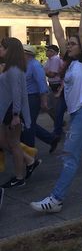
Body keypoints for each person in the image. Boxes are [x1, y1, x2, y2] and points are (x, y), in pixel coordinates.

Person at [31, 3, 82, 213]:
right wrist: (54, 14)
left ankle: (56, 199)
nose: (69, 44)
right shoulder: (72, 62)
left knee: (70, 156)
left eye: (73, 43)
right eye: (69, 43)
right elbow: (58, 35)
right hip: (78, 114)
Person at [0, 38, 41, 188]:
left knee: (14, 144)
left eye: (2, 47)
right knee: (7, 142)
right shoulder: (11, 68)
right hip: (8, 111)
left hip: (12, 112)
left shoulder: (14, 70)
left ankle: (19, 177)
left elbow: (17, 94)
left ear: (9, 50)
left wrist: (16, 115)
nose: (0, 50)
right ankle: (30, 161)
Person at [21, 45, 60, 153]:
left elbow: (42, 83)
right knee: (28, 122)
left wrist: (44, 101)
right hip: (26, 98)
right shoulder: (26, 65)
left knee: (28, 124)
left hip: (33, 98)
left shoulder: (35, 65)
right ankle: (51, 139)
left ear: (27, 54)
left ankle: (29, 151)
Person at [44, 44, 64, 137]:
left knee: (55, 109)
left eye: (48, 50)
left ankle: (58, 129)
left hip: (57, 85)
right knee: (50, 108)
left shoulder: (55, 59)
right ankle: (60, 125)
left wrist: (44, 72)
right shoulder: (50, 60)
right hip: (52, 84)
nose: (46, 51)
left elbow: (52, 74)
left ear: (53, 52)